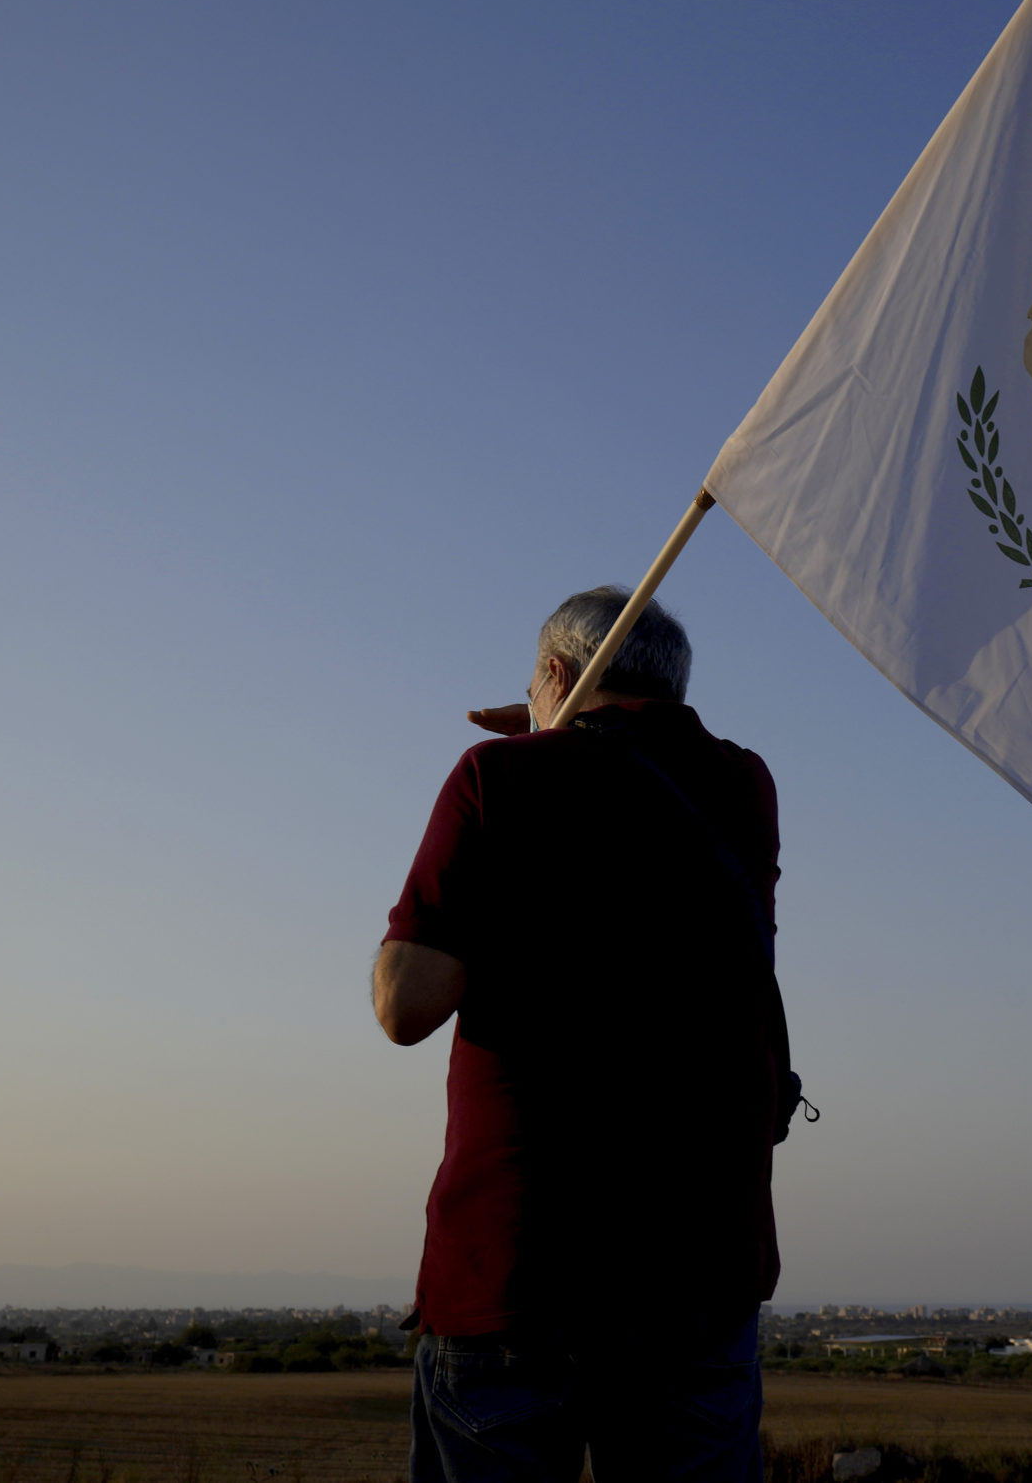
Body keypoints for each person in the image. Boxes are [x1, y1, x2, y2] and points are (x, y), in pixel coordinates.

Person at [373, 585, 788, 1483]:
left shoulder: (495, 779)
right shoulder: (746, 789)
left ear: (556, 674)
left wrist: (520, 752)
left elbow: (405, 1005)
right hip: (700, 1269)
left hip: (520, 1272)